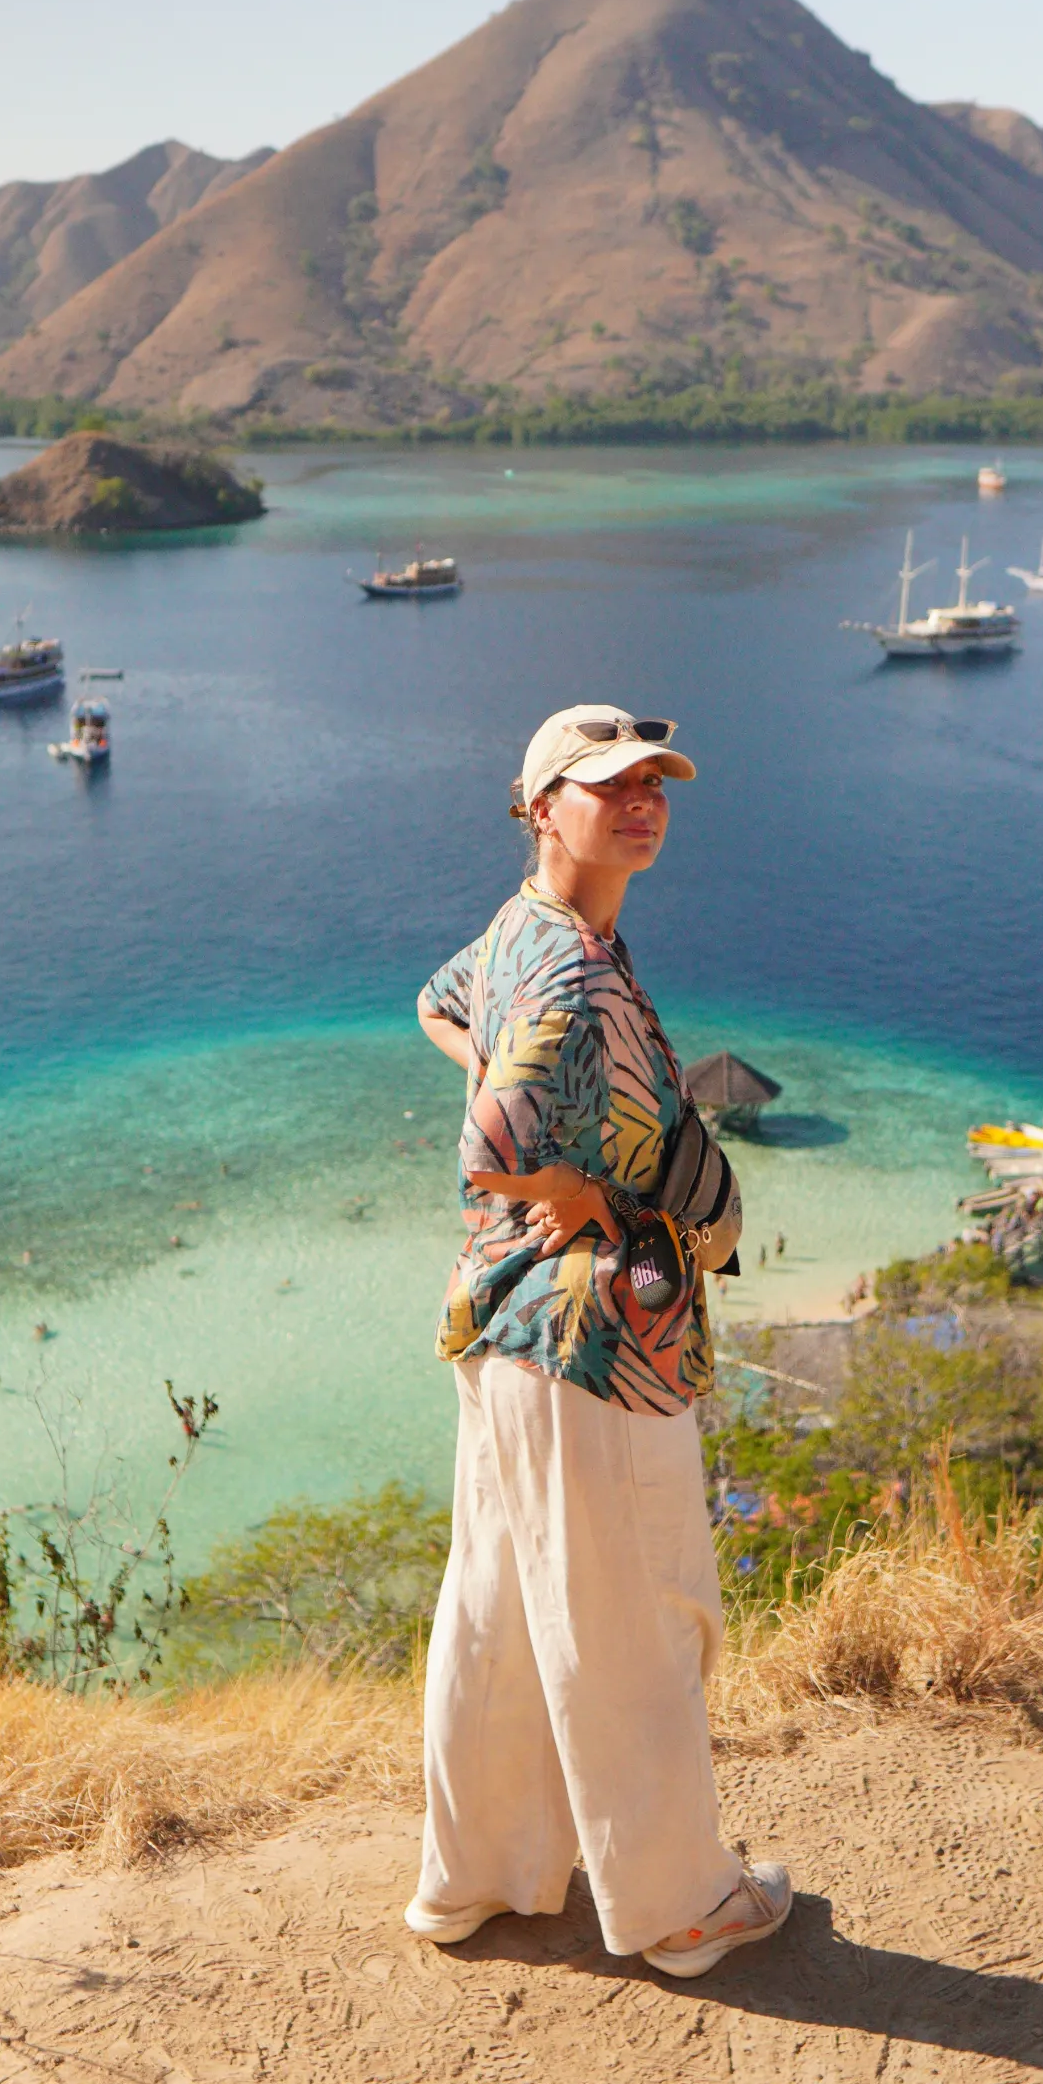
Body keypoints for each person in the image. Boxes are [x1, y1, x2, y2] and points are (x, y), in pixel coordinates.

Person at [406, 704, 792, 1980]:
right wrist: (560, 1179)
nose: (640, 799)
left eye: (653, 783)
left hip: (504, 1323)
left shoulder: (529, 933)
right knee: (637, 1622)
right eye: (606, 783)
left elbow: (438, 1004)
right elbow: (498, 1143)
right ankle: (682, 1908)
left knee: (502, 1616)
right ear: (541, 805)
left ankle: (479, 1881)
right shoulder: (573, 972)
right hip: (590, 1347)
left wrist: (538, 1147)